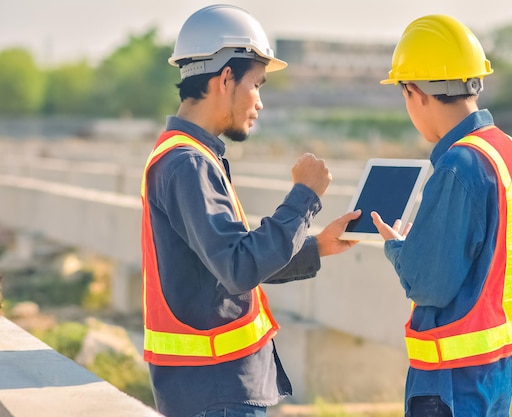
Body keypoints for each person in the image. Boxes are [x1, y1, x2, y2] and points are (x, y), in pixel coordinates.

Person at [139, 5, 360, 417]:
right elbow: (239, 267)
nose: (259, 102)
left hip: (212, 389)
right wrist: (303, 197)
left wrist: (317, 248)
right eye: (257, 85)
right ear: (226, 79)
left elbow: (222, 264)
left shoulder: (189, 156)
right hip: (216, 391)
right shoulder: (188, 164)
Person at [371, 14, 512, 417]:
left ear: (415, 92)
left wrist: (398, 247)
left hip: (451, 380)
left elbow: (429, 284)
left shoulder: (458, 165)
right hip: (496, 370)